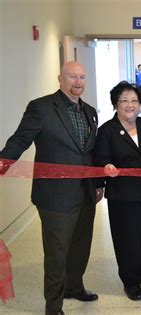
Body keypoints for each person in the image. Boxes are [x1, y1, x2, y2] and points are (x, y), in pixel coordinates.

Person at [0, 62, 100, 314]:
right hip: (55, 196)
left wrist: (98, 184)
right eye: (72, 77)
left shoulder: (89, 111)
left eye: (82, 77)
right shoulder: (41, 108)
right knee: (57, 253)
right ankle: (53, 307)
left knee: (81, 245)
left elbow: (91, 152)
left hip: (85, 191)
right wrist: (2, 163)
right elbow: (20, 139)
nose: (78, 82)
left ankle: (74, 287)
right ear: (60, 78)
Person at [94, 81, 141, 300]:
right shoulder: (107, 130)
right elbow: (101, 159)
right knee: (128, 239)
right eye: (124, 100)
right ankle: (131, 281)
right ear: (116, 104)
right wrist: (106, 168)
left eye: (134, 100)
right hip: (124, 195)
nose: (130, 105)